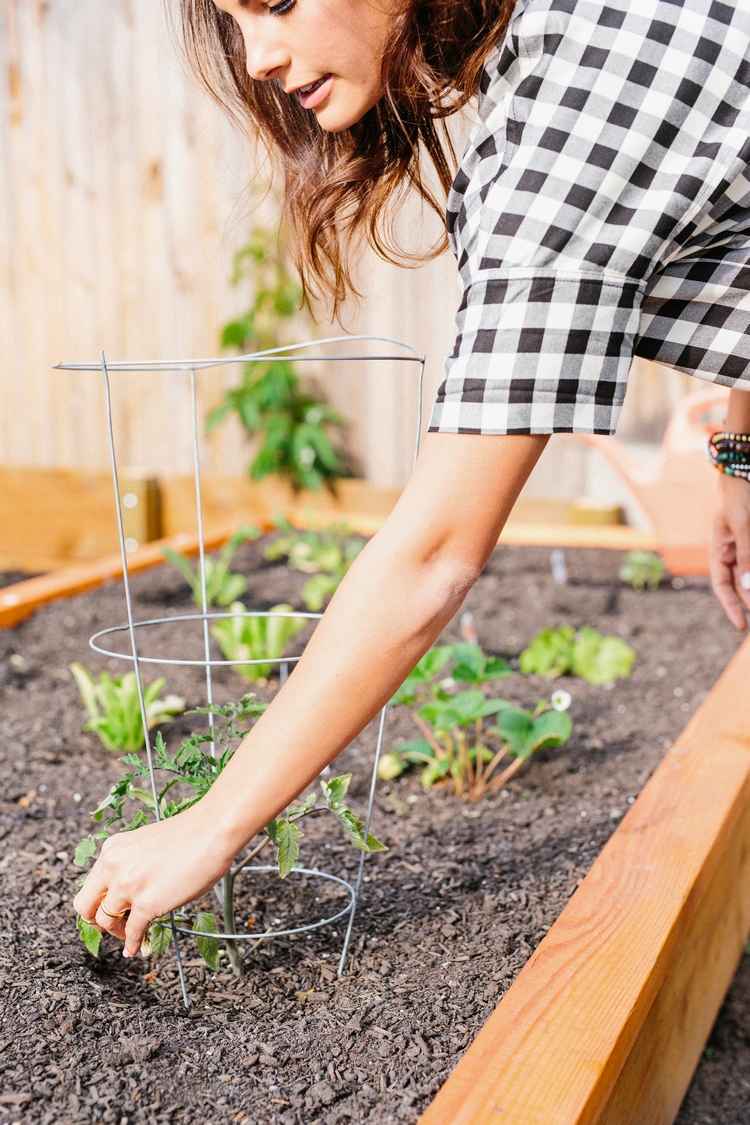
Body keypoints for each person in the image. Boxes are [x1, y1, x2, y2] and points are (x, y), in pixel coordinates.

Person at [74, 0, 750, 957]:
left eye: (275, 3)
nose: (258, 55)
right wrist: (741, 459)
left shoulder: (568, 145)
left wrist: (211, 824)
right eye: (234, 20)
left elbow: (435, 554)